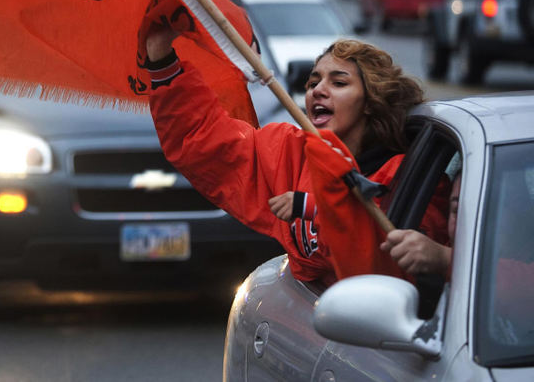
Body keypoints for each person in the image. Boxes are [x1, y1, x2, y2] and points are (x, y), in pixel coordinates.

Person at [144, 26, 449, 284]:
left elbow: (386, 255)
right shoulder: (291, 152)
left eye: (338, 82)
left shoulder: (411, 175)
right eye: (314, 82)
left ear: (371, 101)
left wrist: (312, 206)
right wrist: (161, 59)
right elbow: (209, 144)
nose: (318, 90)